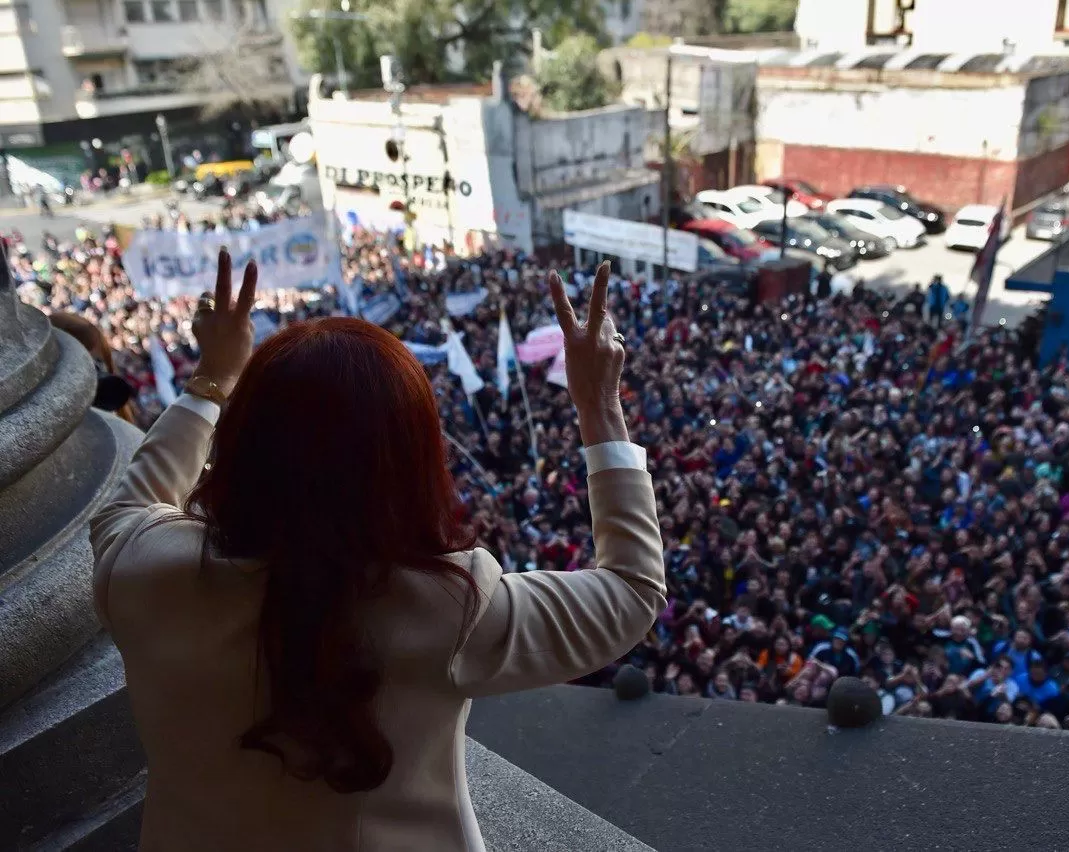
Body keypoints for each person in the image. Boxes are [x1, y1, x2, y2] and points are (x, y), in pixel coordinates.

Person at [89, 255, 665, 850]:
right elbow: (631, 591)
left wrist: (213, 377)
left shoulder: (138, 566)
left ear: (243, 445)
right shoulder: (447, 607)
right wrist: (600, 407)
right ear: (407, 466)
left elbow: (128, 504)